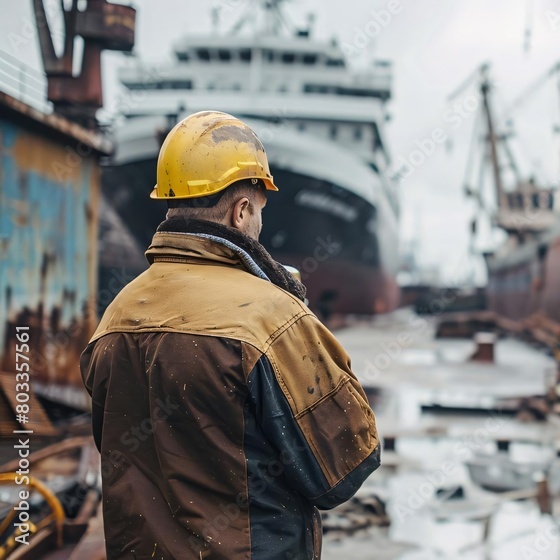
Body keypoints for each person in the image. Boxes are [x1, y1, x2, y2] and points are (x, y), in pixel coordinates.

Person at [80, 111, 380, 559]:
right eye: (258, 210)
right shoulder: (271, 318)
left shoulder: (116, 315)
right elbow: (344, 467)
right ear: (242, 212)